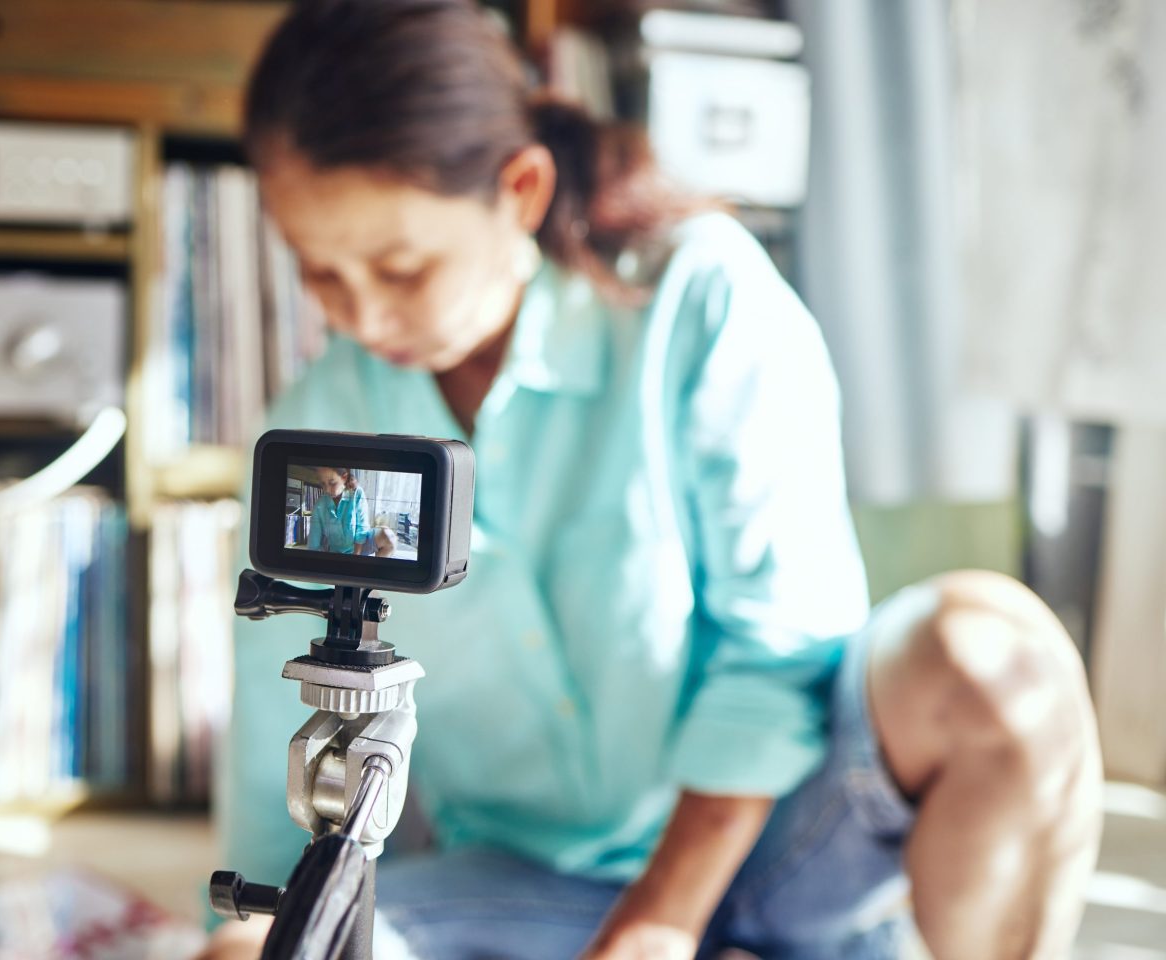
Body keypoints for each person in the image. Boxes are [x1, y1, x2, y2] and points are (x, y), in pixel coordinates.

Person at [207, 2, 1103, 958]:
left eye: (401, 268)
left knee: (995, 661)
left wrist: (662, 922)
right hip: (527, 886)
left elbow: (777, 646)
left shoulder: (703, 296)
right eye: (320, 274)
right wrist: (252, 934)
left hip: (781, 843)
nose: (362, 317)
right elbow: (279, 742)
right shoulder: (318, 429)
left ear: (519, 190)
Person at [306, 466, 373, 555]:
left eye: (332, 483)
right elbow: (313, 543)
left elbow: (362, 529)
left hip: (359, 548)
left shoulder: (357, 493)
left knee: (386, 536)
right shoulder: (319, 505)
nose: (327, 490)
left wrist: (356, 557)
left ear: (344, 478)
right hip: (336, 551)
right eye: (323, 484)